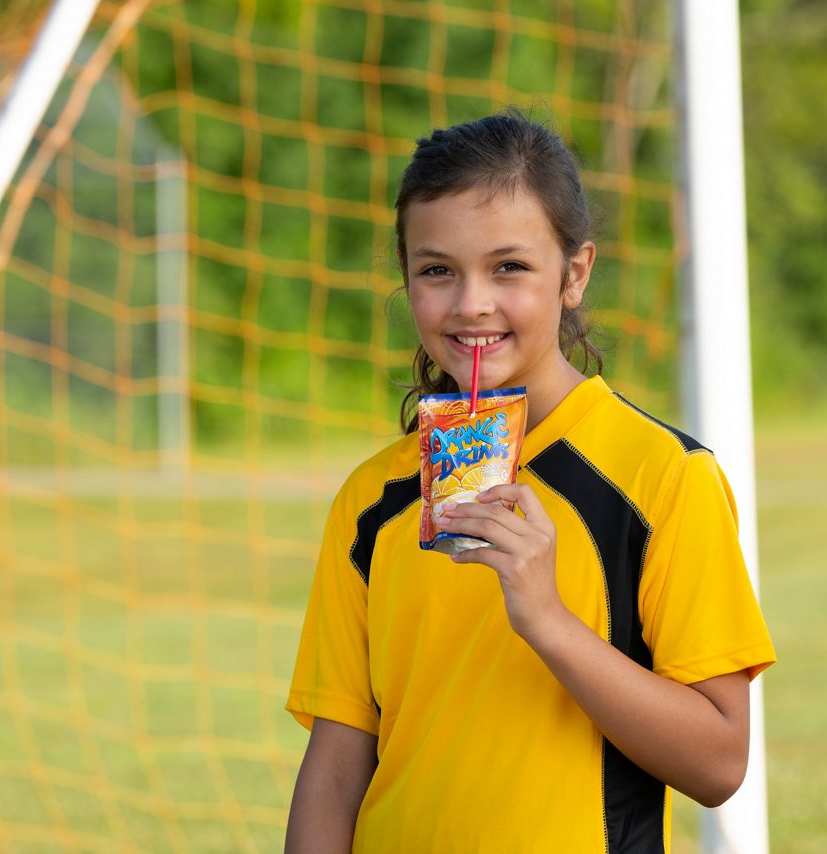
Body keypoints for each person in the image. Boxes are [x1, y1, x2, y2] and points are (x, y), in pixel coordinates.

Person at [285, 111, 775, 853]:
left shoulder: (664, 478)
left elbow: (718, 762)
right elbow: (336, 761)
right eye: (437, 269)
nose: (471, 302)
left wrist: (546, 618)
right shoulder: (371, 500)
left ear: (574, 274)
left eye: (509, 267)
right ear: (406, 276)